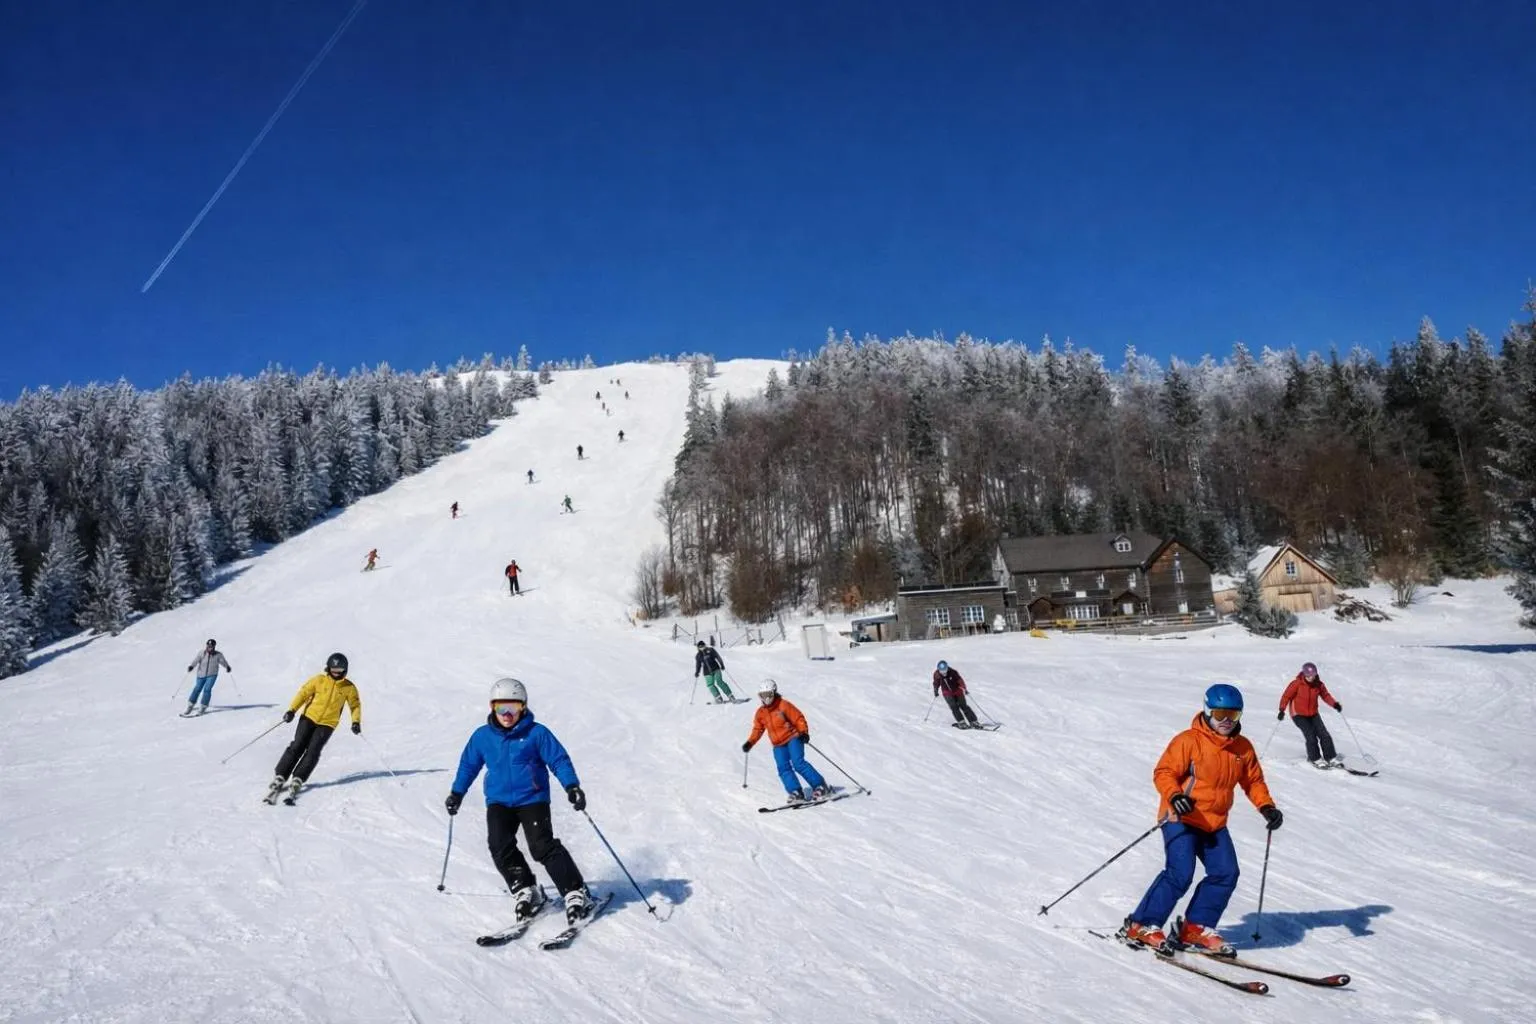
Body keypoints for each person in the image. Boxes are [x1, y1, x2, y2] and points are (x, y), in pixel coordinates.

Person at [1118, 684, 1283, 954]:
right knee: (1180, 874)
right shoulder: (1189, 741)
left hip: (1214, 823)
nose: (1226, 721)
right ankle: (1141, 925)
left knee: (1226, 873)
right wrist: (1175, 796)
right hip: (1181, 818)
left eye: (1233, 715)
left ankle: (1195, 927)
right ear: (1207, 711)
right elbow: (1164, 772)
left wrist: (1266, 807)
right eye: (1219, 714)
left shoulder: (1242, 748)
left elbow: (1253, 781)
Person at [445, 678, 595, 926]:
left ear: (523, 707)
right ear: (492, 707)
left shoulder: (537, 733)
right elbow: (468, 765)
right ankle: (525, 888)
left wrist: (572, 786)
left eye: (513, 708)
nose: (507, 714)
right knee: (499, 845)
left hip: (533, 798)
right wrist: (457, 793)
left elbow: (558, 760)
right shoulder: (482, 737)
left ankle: (575, 891)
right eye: (500, 707)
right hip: (499, 801)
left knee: (541, 846)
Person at [267, 653, 362, 802]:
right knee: (297, 745)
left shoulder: (349, 687)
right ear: (328, 668)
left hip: (328, 724)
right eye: (333, 669)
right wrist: (292, 710)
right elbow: (303, 693)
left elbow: (355, 705)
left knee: (313, 751)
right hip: (309, 717)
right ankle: (281, 775)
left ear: (345, 670)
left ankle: (298, 778)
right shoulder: (319, 680)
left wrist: (355, 722)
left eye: (339, 670)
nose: (336, 673)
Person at [742, 680, 829, 803]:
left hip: (793, 738)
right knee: (783, 768)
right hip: (778, 744)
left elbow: (798, 718)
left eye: (768, 694)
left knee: (798, 763)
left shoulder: (783, 705)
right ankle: (796, 792)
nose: (766, 698)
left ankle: (820, 786)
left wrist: (803, 732)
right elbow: (758, 729)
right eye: (763, 695)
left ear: (774, 693)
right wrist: (750, 742)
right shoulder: (761, 713)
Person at [1278, 662, 1344, 768]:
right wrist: (1282, 710)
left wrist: (1335, 704)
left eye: (1313, 675)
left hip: (1313, 713)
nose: (1311, 678)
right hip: (1298, 714)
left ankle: (1330, 757)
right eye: (1308, 676)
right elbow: (1286, 696)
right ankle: (1315, 758)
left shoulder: (1319, 684)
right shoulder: (1297, 684)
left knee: (1324, 734)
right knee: (1311, 735)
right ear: (1304, 674)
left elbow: (1325, 696)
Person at [185, 639, 233, 716]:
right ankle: (190, 705)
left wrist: (227, 667)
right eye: (208, 646)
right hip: (201, 674)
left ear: (214, 647)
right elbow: (196, 660)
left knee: (207, 689)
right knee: (197, 688)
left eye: (211, 646)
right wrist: (192, 666)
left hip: (212, 675)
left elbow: (223, 662)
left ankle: (203, 706)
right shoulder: (202, 653)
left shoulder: (218, 655)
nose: (209, 648)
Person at [932, 660, 979, 728]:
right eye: (941, 670)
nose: (943, 672)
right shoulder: (937, 674)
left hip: (957, 691)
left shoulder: (953, 672)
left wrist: (964, 689)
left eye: (945, 669)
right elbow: (936, 683)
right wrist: (936, 690)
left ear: (947, 667)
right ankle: (961, 722)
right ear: (938, 669)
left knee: (963, 706)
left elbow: (960, 680)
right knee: (954, 707)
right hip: (947, 692)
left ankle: (973, 721)